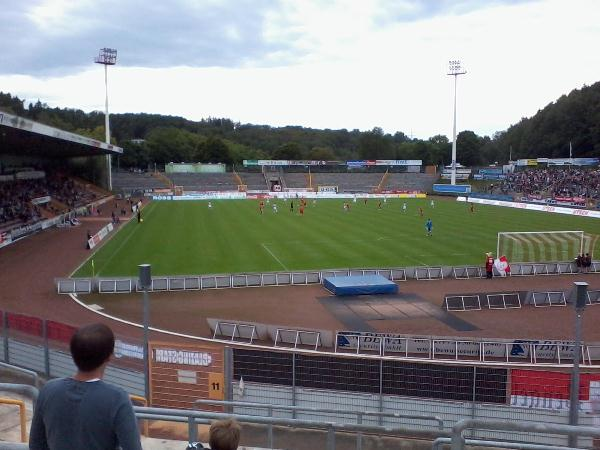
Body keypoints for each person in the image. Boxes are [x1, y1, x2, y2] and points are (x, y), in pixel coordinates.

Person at [29, 323, 142, 450]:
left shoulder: (48, 390)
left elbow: (36, 444)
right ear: (109, 356)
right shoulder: (117, 399)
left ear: (73, 354)